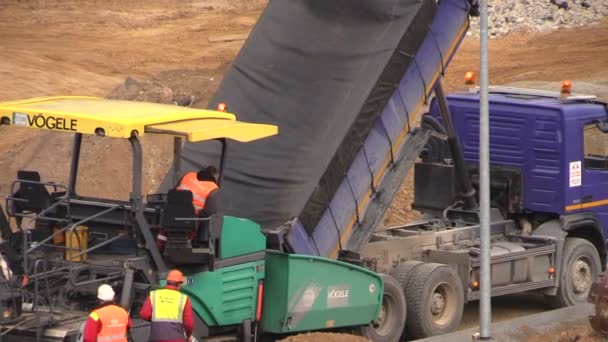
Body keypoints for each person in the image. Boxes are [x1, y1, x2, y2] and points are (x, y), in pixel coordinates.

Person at [156, 166, 219, 252]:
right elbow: (209, 210)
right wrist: (198, 215)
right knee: (201, 224)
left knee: (164, 234)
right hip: (190, 220)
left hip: (171, 213)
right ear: (215, 177)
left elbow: (174, 192)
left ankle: (158, 250)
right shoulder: (213, 188)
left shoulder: (189, 175)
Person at [139, 269, 194, 342]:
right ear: (179, 284)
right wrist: (188, 335)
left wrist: (156, 320)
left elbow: (144, 314)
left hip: (156, 338)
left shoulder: (154, 295)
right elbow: (189, 324)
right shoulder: (183, 299)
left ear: (167, 282)